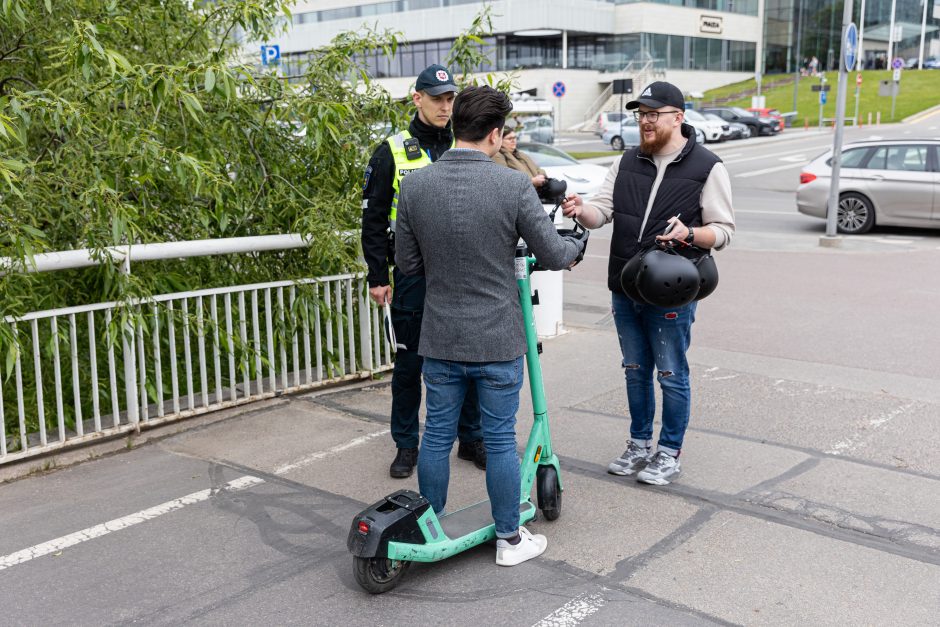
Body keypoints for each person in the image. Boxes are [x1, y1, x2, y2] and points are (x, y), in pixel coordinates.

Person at [395, 86, 584, 566]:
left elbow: (409, 265)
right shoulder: (513, 186)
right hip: (497, 338)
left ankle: (429, 526)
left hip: (439, 336)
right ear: (496, 134)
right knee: (500, 438)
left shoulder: (416, 186)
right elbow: (554, 254)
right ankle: (509, 540)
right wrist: (578, 239)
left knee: (436, 434)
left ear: (456, 124)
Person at [561, 81, 735, 486]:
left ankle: (669, 451)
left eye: (653, 115)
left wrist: (690, 234)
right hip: (625, 284)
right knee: (635, 370)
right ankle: (639, 444)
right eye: (641, 115)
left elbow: (723, 231)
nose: (645, 122)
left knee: (671, 372)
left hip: (670, 285)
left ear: (679, 116)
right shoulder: (626, 161)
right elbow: (601, 212)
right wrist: (579, 208)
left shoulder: (707, 166)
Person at [361, 64, 486, 479]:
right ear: (417, 99)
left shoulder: (467, 143)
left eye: (451, 98)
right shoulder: (392, 150)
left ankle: (471, 439)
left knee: (468, 359)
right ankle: (405, 445)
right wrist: (378, 276)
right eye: (437, 98)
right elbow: (374, 219)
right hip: (413, 275)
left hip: (462, 272)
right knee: (410, 364)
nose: (446, 106)